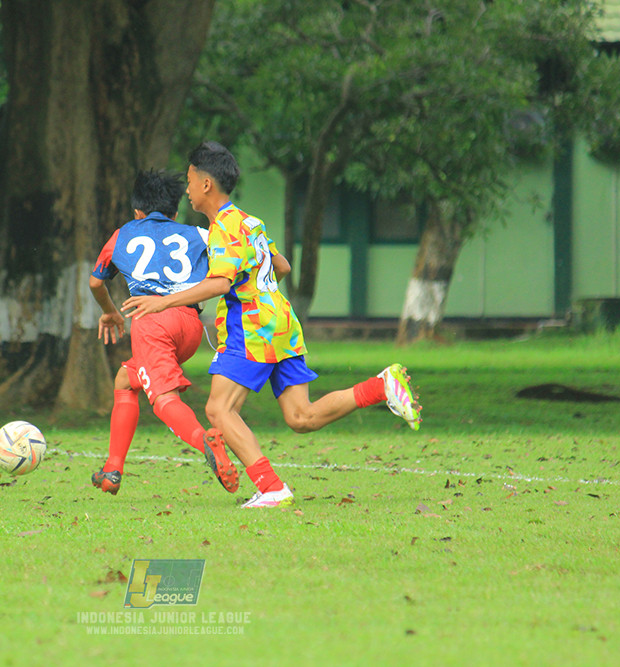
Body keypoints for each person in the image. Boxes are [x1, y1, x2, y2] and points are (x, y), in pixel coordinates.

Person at [122, 141, 422, 509]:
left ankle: (271, 486)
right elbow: (282, 267)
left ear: (205, 185)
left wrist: (161, 301)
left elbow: (220, 283)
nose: (185, 190)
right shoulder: (250, 222)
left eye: (189, 180)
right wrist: (261, 293)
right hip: (281, 322)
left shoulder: (223, 229)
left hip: (251, 325)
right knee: (301, 416)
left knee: (218, 410)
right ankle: (381, 386)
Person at [88, 168, 240, 496]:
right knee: (126, 380)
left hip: (152, 321)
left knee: (162, 398)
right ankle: (112, 469)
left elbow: (96, 282)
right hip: (189, 325)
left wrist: (110, 312)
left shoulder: (122, 234)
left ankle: (206, 442)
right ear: (174, 212)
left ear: (137, 212)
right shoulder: (200, 234)